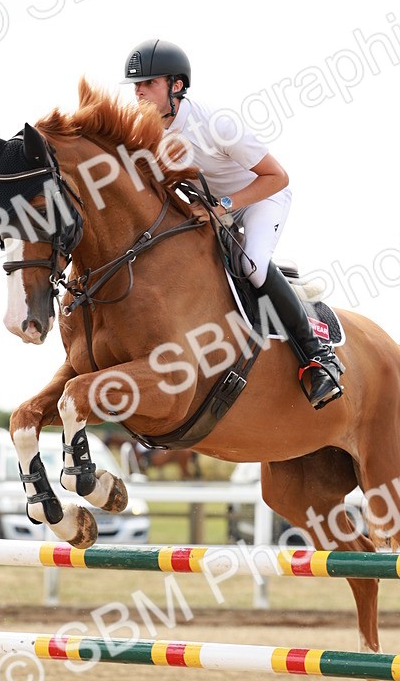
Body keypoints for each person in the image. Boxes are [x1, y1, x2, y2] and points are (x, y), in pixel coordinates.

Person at [123, 38, 344, 409]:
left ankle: (318, 355)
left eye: (150, 83)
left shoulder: (216, 123)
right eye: (136, 85)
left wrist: (225, 207)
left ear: (176, 86)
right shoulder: (143, 131)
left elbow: (277, 176)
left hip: (259, 197)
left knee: (252, 264)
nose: (139, 92)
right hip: (209, 207)